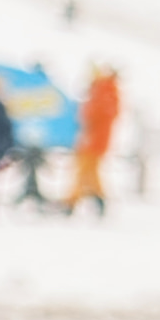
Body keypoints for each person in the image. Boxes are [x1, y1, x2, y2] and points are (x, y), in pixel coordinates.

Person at [64, 65, 121, 216]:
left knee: (84, 171)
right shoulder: (106, 90)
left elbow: (91, 114)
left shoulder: (104, 91)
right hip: (95, 140)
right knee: (89, 172)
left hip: (93, 140)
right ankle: (90, 199)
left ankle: (73, 201)